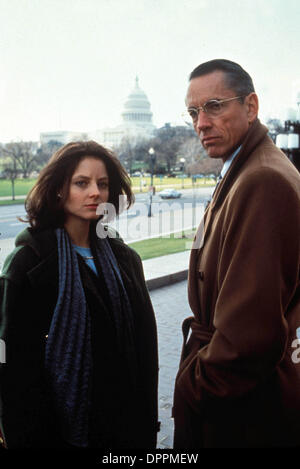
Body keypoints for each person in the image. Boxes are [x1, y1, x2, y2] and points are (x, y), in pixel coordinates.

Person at [173, 59, 300, 448]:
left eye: (215, 106)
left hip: (241, 415)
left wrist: (192, 390)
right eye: (194, 112)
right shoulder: (245, 169)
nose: (201, 123)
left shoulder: (261, 179)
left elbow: (250, 337)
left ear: (251, 106)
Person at [0, 141, 159, 449]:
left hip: (123, 427)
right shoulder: (28, 265)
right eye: (81, 183)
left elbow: (144, 351)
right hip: (58, 433)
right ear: (59, 189)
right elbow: (12, 371)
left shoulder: (124, 259)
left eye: (102, 184)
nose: (95, 193)